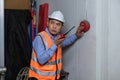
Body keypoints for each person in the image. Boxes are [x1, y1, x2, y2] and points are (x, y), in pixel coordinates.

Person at [28, 10, 84, 80]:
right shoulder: (39, 38)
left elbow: (65, 42)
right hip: (39, 78)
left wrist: (76, 35)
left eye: (58, 24)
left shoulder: (57, 39)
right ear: (47, 23)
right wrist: (54, 45)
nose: (54, 26)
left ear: (62, 27)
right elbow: (41, 60)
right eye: (52, 23)